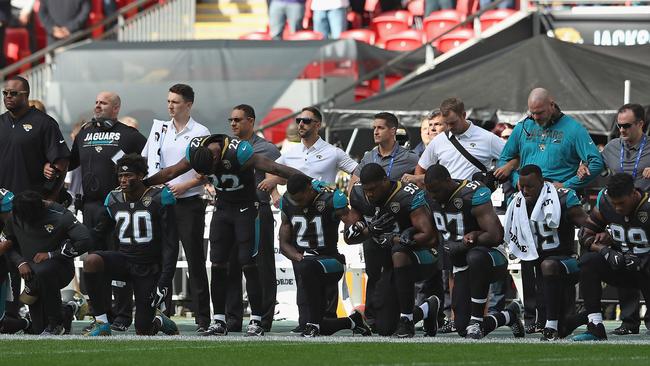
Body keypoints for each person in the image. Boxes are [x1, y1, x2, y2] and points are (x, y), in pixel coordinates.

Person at [143, 128, 303, 337]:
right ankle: (218, 320)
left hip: (246, 209)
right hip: (223, 209)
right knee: (217, 264)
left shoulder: (239, 152)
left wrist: (310, 181)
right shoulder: (196, 150)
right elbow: (172, 171)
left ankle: (256, 320)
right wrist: (143, 184)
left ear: (216, 156)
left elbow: (276, 168)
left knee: (248, 263)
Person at [259, 106, 357, 333]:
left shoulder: (332, 151)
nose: (300, 124)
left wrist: (349, 194)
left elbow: (356, 169)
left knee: (324, 271)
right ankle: (307, 321)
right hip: (296, 213)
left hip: (325, 213)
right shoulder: (290, 150)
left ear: (317, 125)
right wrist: (274, 195)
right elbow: (272, 171)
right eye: (299, 120)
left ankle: (326, 321)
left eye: (306, 121)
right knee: (301, 271)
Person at [69, 91, 147, 332]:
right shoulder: (84, 132)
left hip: (119, 205)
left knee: (119, 260)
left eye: (103, 103)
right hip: (91, 206)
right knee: (94, 262)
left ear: (116, 108)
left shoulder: (130, 135)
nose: (97, 106)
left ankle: (123, 314)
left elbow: (148, 162)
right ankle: (101, 315)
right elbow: (70, 162)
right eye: (95, 102)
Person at [82, 154, 179, 336]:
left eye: (128, 176)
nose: (123, 180)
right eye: (120, 176)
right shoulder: (114, 199)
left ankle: (158, 320)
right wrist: (74, 244)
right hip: (124, 261)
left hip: (149, 267)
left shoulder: (159, 197)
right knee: (91, 261)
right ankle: (101, 322)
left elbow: (171, 243)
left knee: (142, 330)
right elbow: (99, 232)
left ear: (141, 176)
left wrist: (165, 279)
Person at [424, 164, 524, 339]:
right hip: (461, 264)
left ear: (448, 181)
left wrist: (474, 237)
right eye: (430, 191)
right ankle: (509, 316)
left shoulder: (471, 194)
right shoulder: (430, 197)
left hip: (491, 258)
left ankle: (477, 320)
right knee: (462, 328)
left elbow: (495, 235)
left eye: (437, 191)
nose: (433, 196)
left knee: (475, 256)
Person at [141, 84, 211, 333]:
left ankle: (203, 318)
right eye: (168, 101)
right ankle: (162, 314)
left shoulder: (200, 131)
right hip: (162, 200)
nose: (170, 105)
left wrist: (187, 185)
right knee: (162, 258)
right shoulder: (160, 129)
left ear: (189, 105)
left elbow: (206, 169)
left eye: (176, 102)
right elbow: (148, 161)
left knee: (194, 259)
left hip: (189, 201)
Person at [0, 76, 70, 321]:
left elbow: (61, 160)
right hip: (2, 207)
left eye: (14, 94)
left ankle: (51, 314)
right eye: (5, 93)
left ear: (26, 95)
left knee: (34, 265)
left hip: (30, 206)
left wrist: (50, 196)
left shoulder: (43, 123)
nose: (8, 97)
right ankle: (10, 313)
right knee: (7, 260)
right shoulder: (0, 123)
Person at [345, 163, 441, 337]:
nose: (370, 194)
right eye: (366, 190)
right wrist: (369, 230)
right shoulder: (358, 195)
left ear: (384, 181)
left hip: (420, 255)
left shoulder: (407, 195)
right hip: (388, 265)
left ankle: (406, 320)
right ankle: (427, 308)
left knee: (398, 251)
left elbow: (429, 236)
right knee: (385, 328)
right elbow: (349, 238)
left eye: (373, 189)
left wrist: (395, 239)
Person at [346, 112, 420, 330]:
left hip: (396, 221)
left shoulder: (410, 157)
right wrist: (357, 209)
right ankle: (371, 317)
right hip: (373, 222)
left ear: (393, 131)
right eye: (374, 128)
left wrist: (415, 180)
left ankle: (400, 314)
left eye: (380, 127)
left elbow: (422, 179)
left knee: (395, 270)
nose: (376, 131)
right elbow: (354, 182)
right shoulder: (369, 156)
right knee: (373, 271)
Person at [278, 174, 372, 337]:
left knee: (307, 268)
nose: (298, 204)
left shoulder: (331, 199)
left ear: (309, 189)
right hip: (306, 263)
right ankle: (352, 321)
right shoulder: (287, 201)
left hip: (331, 261)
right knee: (310, 323)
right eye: (295, 201)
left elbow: (353, 229)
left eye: (300, 199)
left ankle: (313, 325)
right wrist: (300, 258)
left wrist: (363, 228)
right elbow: (284, 244)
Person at [504, 164, 587, 340]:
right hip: (537, 265)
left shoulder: (562, 197)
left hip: (565, 262)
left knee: (547, 265)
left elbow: (588, 226)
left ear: (542, 182)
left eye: (530, 186)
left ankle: (553, 325)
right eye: (522, 186)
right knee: (533, 263)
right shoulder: (517, 203)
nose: (525, 191)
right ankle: (567, 320)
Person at [589, 103, 650, 336]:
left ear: (640, 124)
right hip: (619, 212)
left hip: (646, 214)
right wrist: (585, 169)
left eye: (626, 126)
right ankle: (628, 321)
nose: (621, 130)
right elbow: (599, 168)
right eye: (618, 126)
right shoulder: (613, 147)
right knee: (623, 259)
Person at [2, 190, 91, 335]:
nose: (18, 219)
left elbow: (85, 240)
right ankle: (68, 310)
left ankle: (56, 323)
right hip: (31, 274)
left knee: (44, 270)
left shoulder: (61, 215)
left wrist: (52, 254)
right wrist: (20, 262)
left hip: (59, 269)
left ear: (37, 213)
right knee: (38, 329)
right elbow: (6, 243)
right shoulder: (15, 214)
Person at [574, 173, 650, 341]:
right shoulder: (605, 202)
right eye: (614, 203)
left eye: (621, 203)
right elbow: (585, 235)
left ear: (633, 194)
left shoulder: (647, 206)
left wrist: (643, 259)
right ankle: (595, 326)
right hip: (624, 266)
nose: (617, 208)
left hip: (646, 270)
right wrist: (604, 250)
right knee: (588, 262)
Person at [225, 104, 280, 332]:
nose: (233, 124)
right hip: (231, 210)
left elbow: (280, 173)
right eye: (231, 120)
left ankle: (264, 319)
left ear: (251, 121)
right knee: (231, 265)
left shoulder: (265, 148)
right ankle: (232, 319)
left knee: (262, 265)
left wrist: (273, 182)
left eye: (238, 120)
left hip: (257, 210)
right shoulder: (227, 148)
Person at [495, 87, 603, 190]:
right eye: (532, 113)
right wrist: (517, 180)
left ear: (552, 105)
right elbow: (503, 159)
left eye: (540, 112)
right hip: (526, 193)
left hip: (557, 195)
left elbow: (596, 163)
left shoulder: (574, 129)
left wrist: (566, 186)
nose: (536, 117)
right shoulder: (523, 126)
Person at [403, 97, 505, 185]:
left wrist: (509, 167)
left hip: (475, 202)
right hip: (445, 202)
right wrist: (426, 193)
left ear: (464, 115)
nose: (449, 127)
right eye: (446, 123)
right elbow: (421, 169)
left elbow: (515, 156)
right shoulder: (439, 140)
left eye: (453, 123)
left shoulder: (487, 138)